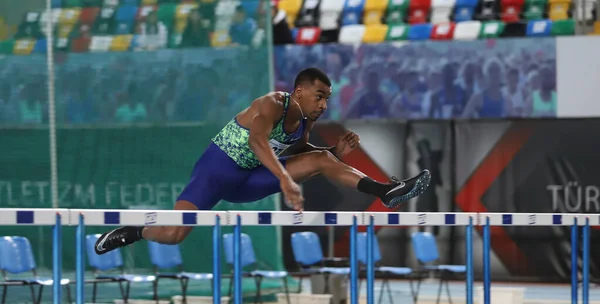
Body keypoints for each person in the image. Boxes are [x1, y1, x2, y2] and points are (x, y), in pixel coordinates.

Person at [94, 68, 431, 255]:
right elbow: (257, 141)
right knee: (173, 234)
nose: (324, 104)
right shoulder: (271, 103)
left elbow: (298, 152)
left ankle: (384, 191)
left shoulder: (305, 121)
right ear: (299, 91)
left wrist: (334, 155)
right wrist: (285, 181)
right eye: (319, 96)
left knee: (322, 157)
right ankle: (135, 231)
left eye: (327, 98)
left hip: (250, 179)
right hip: (216, 170)